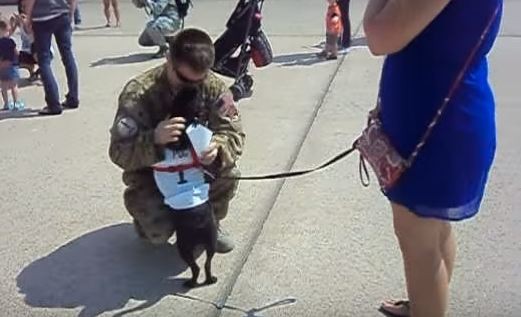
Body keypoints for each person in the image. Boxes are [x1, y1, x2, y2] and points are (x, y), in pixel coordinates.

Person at [363, 1, 502, 316]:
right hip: (441, 115)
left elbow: (378, 35)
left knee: (420, 242)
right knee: (432, 233)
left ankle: (428, 305)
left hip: (434, 126)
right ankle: (426, 302)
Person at [108, 28, 245, 253]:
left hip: (195, 168)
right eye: (183, 79)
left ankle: (210, 221)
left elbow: (234, 133)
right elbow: (118, 152)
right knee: (157, 235)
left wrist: (217, 147)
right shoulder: (139, 93)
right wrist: (154, 139)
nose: (191, 86)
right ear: (168, 59)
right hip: (153, 173)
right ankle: (151, 222)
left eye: (198, 80)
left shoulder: (212, 86)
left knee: (229, 173)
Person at [24, 0, 80, 116]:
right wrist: (71, 13)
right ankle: (73, 97)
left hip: (42, 17)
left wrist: (27, 18)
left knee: (44, 60)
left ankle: (53, 103)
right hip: (62, 13)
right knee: (67, 55)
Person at [0, 19, 24, 111]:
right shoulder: (11, 41)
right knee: (14, 86)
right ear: (7, 30)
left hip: (2, 67)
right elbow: (16, 53)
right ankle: (16, 103)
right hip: (12, 65)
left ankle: (6, 104)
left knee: (3, 86)